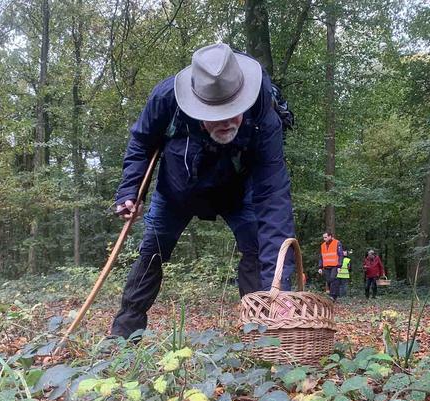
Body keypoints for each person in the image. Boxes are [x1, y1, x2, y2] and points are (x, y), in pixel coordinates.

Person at [110, 43, 295, 338]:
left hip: (237, 192)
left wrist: (281, 289)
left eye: (234, 111)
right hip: (175, 191)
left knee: (258, 249)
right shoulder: (166, 98)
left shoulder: (262, 110)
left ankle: (262, 333)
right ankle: (123, 336)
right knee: (152, 252)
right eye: (215, 113)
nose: (227, 121)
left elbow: (274, 198)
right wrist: (130, 190)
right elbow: (142, 143)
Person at [318, 232, 343, 301]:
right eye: (323, 237)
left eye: (325, 237)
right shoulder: (322, 245)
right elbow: (321, 257)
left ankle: (332, 296)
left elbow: (341, 255)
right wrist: (320, 267)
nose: (324, 239)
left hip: (335, 266)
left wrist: (339, 266)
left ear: (330, 236)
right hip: (326, 266)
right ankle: (333, 295)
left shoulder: (337, 243)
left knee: (333, 279)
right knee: (329, 281)